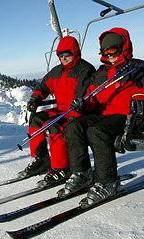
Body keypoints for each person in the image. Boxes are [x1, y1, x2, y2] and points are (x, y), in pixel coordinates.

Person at [58, 27, 144, 206]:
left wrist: (143, 94)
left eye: (113, 50)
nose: (109, 55)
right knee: (73, 126)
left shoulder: (138, 68)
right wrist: (84, 104)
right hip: (105, 116)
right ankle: (82, 173)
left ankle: (108, 182)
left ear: (123, 47)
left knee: (96, 131)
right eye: (104, 51)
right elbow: (92, 97)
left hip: (130, 117)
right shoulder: (101, 73)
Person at [19, 36, 95, 187]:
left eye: (67, 55)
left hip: (78, 110)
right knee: (36, 120)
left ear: (75, 53)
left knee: (55, 125)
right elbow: (43, 88)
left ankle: (62, 167)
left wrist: (75, 112)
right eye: (61, 55)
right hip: (61, 109)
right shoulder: (56, 72)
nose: (64, 58)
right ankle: (41, 159)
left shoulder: (84, 69)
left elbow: (83, 95)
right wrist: (35, 99)